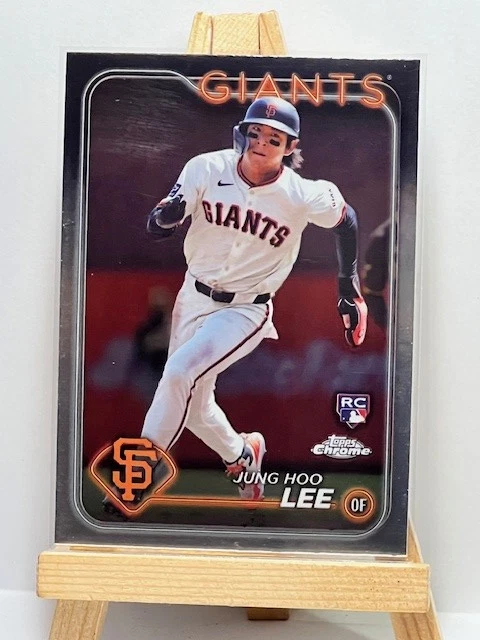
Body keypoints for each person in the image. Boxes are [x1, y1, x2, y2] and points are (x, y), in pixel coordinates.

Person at [129, 97, 368, 507]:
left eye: (274, 138)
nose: (261, 143)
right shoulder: (206, 168)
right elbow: (159, 223)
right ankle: (242, 456)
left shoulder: (302, 194)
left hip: (246, 308)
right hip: (193, 294)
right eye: (255, 132)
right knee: (196, 406)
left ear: (291, 147)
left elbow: (347, 220)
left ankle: (138, 474)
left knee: (179, 373)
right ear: (242, 132)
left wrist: (348, 286)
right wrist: (163, 219)